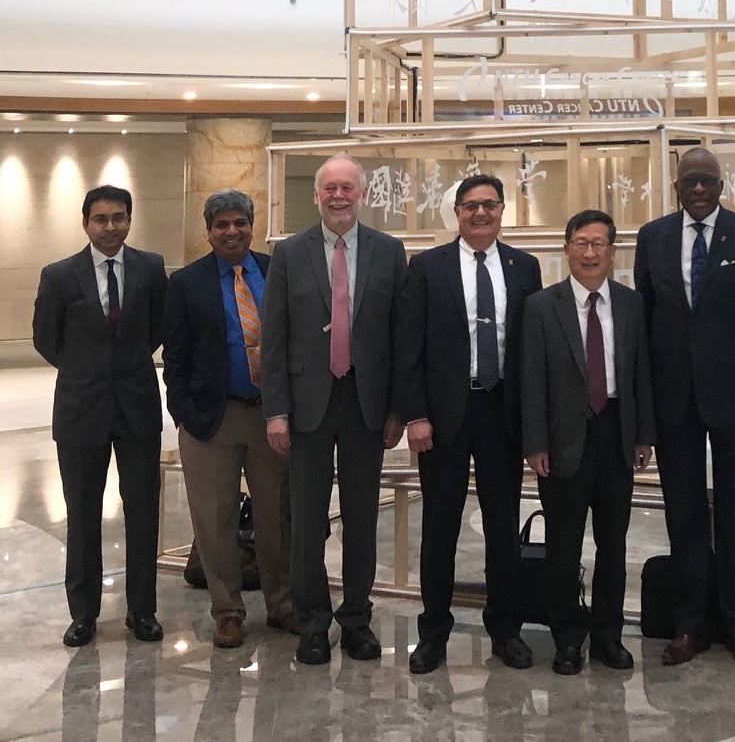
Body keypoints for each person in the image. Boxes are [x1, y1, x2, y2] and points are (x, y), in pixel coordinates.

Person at [633, 145, 735, 666]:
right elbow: (644, 327)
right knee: (684, 513)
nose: (700, 189)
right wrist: (646, 411)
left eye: (709, 181)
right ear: (675, 185)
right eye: (690, 180)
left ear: (723, 186)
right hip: (675, 401)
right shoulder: (652, 238)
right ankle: (690, 626)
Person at [260, 156, 407, 666]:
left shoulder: (389, 252)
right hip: (307, 407)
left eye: (347, 187)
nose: (339, 196)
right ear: (317, 196)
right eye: (330, 188)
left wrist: (398, 410)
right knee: (307, 521)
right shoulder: (289, 253)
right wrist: (275, 410)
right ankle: (314, 624)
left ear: (361, 193)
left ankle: (357, 620)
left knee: (363, 518)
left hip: (367, 406)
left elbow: (399, 337)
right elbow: (273, 337)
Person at [396, 174, 542, 674]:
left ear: (503, 211)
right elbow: (409, 348)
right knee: (440, 527)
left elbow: (532, 351)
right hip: (443, 416)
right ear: (455, 213)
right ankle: (433, 634)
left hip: (503, 413)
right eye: (471, 206)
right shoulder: (428, 267)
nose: (481, 213)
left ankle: (507, 631)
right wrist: (415, 415)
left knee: (503, 529)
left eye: (490, 205)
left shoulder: (525, 267)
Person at [33, 184, 169, 647]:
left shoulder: (150, 268)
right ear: (85, 223)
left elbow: (157, 327)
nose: (110, 226)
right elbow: (45, 339)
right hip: (80, 410)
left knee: (143, 511)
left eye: (119, 218)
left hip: (136, 407)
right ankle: (83, 615)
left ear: (130, 220)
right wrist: (86, 370)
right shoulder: (59, 275)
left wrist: (122, 366)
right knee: (83, 514)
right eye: (101, 219)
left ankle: (142, 611)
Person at [522, 209, 655, 675]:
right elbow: (531, 381)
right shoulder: (542, 306)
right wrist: (534, 443)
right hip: (562, 441)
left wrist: (643, 434)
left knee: (613, 546)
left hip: (616, 434)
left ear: (612, 251)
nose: (590, 252)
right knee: (563, 546)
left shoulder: (631, 303)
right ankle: (567, 639)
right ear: (567, 249)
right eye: (581, 242)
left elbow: (640, 375)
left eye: (600, 243)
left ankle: (608, 637)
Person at [162, 189, 295, 648]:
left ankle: (282, 604)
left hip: (271, 418)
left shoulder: (276, 269)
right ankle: (228, 612)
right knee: (215, 520)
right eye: (221, 224)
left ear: (252, 225)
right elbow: (174, 355)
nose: (231, 231)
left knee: (277, 515)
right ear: (209, 231)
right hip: (210, 420)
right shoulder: (185, 282)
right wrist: (183, 410)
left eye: (239, 222)